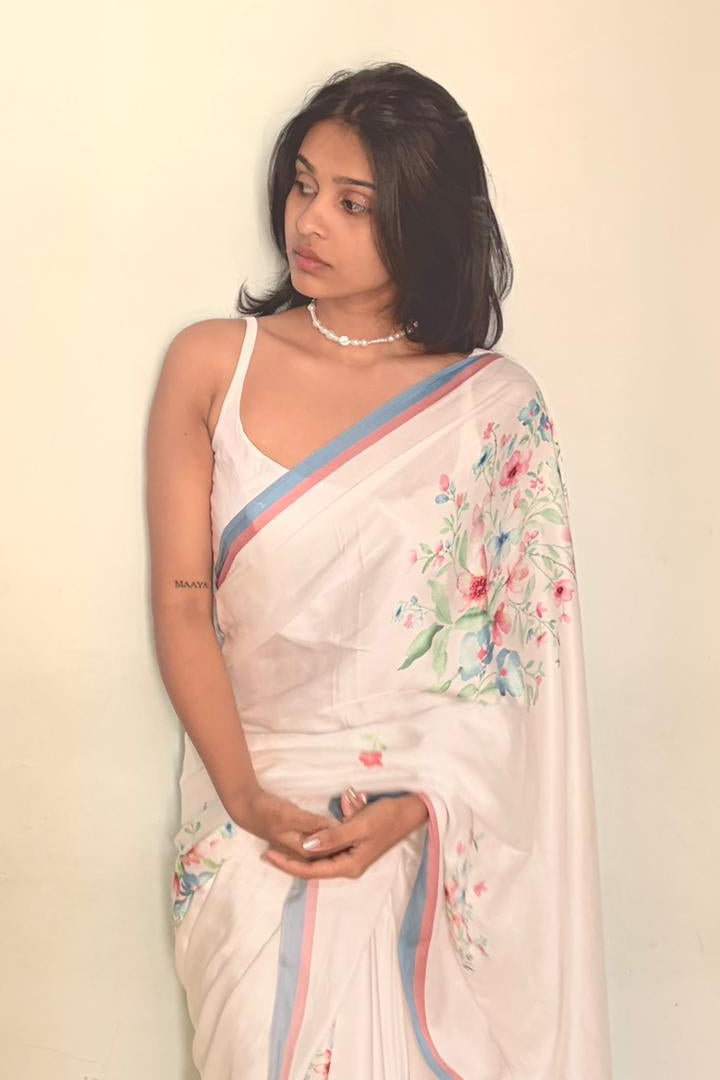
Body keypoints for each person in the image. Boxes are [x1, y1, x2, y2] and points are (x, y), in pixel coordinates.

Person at [146, 61, 613, 1080]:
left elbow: (525, 683)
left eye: (353, 204)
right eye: (304, 184)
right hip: (254, 814)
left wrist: (417, 809)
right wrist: (247, 797)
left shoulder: (493, 410)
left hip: (418, 825)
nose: (309, 220)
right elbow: (184, 609)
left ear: (422, 221)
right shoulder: (213, 364)